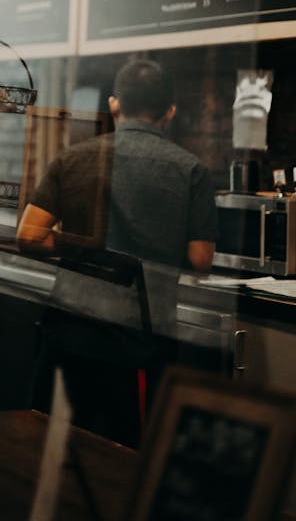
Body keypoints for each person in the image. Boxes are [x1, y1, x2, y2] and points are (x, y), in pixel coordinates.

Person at [16, 58, 218, 445]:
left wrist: (82, 244)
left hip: (68, 334)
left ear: (113, 104)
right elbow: (200, 259)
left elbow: (29, 236)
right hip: (136, 344)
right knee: (124, 461)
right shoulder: (190, 170)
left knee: (50, 452)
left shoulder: (73, 157)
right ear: (170, 111)